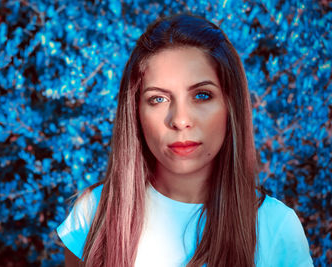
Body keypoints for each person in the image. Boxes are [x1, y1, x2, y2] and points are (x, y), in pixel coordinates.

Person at [56, 14, 313, 267]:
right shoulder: (94, 214)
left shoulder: (277, 227)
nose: (180, 120)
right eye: (158, 99)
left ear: (230, 105)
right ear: (135, 112)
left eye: (202, 95)